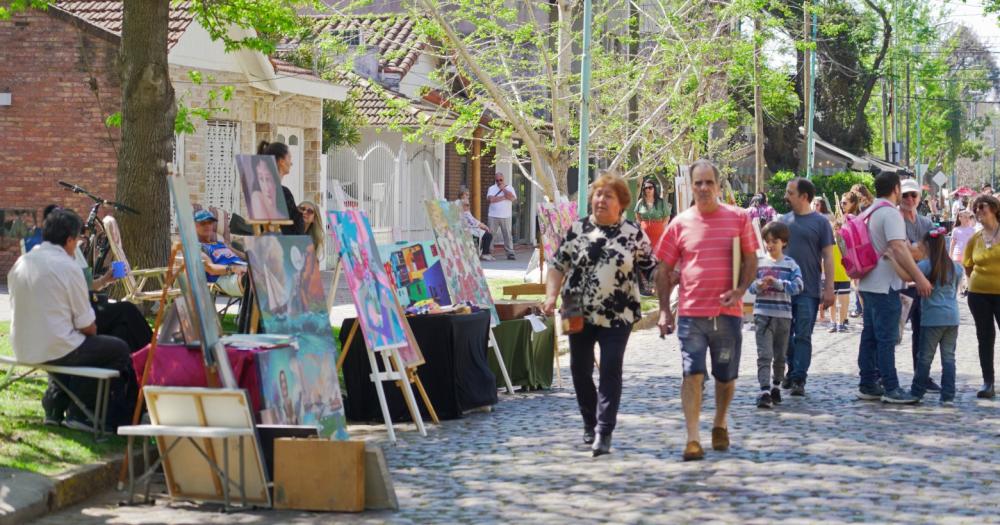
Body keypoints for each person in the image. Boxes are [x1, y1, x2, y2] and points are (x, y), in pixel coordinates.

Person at [541, 172, 656, 457]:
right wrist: (550, 296)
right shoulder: (577, 230)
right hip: (576, 308)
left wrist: (673, 279)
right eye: (598, 194)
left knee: (610, 367)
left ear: (621, 203)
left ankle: (604, 430)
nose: (601, 200)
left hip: (619, 312)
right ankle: (589, 422)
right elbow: (557, 265)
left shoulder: (633, 234)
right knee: (579, 369)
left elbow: (652, 268)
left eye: (608, 196)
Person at [655, 160, 758, 461]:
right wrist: (664, 311)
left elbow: (751, 260)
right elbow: (663, 270)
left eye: (708, 182)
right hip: (691, 314)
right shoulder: (679, 224)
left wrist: (740, 290)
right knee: (692, 373)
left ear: (718, 185)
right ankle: (692, 438)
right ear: (691, 186)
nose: (703, 188)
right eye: (697, 183)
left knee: (725, 377)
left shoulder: (739, 218)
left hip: (728, 314)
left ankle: (720, 423)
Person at [7, 209, 137, 430]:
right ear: (69, 240)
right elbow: (88, 326)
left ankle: (54, 406)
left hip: (22, 346)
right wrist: (90, 330)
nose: (78, 245)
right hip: (54, 349)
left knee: (67, 343)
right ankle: (82, 413)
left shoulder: (22, 263)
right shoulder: (68, 267)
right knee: (117, 348)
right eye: (77, 240)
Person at [856, 172, 931, 404]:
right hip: (886, 284)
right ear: (896, 189)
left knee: (869, 335)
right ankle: (891, 388)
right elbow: (899, 248)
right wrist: (919, 277)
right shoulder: (890, 213)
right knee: (886, 338)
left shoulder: (869, 211)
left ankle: (868, 383)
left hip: (867, 281)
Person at [778, 178, 835, 396]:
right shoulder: (783, 221)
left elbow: (828, 256)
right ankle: (792, 369)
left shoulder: (820, 223)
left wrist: (828, 288)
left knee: (803, 335)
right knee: (783, 336)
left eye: (790, 192)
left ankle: (799, 378)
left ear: (804, 196)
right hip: (783, 289)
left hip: (809, 290)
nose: (786, 196)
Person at [749, 221, 802, 409]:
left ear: (784, 243)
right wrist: (758, 286)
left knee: (780, 356)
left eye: (774, 241)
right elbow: (750, 285)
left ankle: (775, 386)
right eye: (767, 241)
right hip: (762, 315)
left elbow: (798, 286)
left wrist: (779, 283)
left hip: (783, 316)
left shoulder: (791, 264)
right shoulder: (759, 263)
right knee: (765, 354)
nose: (770, 245)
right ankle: (764, 391)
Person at [907, 228, 962, 404]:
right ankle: (948, 395)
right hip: (952, 317)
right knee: (949, 358)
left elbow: (910, 279)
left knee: (924, 357)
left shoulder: (924, 266)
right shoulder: (956, 267)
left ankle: (917, 392)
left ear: (927, 246)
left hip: (932, 319)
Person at [898, 178, 936, 391]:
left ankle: (922, 376)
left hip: (923, 286)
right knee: (894, 332)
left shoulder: (926, 222)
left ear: (919, 198)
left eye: (913, 195)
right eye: (905, 195)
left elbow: (933, 251)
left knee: (923, 334)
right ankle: (882, 375)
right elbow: (902, 251)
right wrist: (917, 249)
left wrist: (913, 248)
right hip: (901, 284)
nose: (910, 199)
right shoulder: (895, 219)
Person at [963, 194, 1000, 399]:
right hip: (978, 296)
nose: (978, 211)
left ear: (994, 208)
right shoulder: (974, 239)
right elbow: (968, 265)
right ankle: (988, 382)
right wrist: (976, 282)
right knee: (985, 338)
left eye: (982, 206)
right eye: (975, 208)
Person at [195, 210, 247, 297]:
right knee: (256, 279)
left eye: (210, 223)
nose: (207, 225)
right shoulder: (198, 247)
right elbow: (211, 269)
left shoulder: (221, 244)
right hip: (227, 277)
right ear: (195, 226)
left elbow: (244, 256)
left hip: (244, 269)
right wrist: (233, 269)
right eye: (203, 223)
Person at [258, 140, 304, 235]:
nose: (291, 163)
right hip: (283, 246)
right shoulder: (283, 193)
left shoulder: (260, 190)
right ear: (281, 161)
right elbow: (296, 231)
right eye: (290, 158)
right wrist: (299, 215)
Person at [485, 172, 518, 260]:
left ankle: (510, 252)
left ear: (503, 179)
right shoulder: (491, 188)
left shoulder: (509, 187)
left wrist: (503, 190)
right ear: (495, 180)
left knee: (507, 235)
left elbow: (512, 198)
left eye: (501, 180)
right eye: (497, 180)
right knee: (491, 235)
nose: (499, 182)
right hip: (493, 215)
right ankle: (489, 252)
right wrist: (504, 197)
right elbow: (491, 199)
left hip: (506, 215)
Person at [459, 190, 493, 260]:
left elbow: (471, 218)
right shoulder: (461, 205)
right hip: (468, 229)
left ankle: (486, 253)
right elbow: (469, 221)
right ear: (462, 196)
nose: (467, 197)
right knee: (488, 235)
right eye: (466, 195)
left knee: (487, 234)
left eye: (468, 195)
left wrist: (481, 224)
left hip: (472, 227)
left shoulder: (465, 205)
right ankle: (485, 253)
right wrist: (480, 225)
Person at [635, 178, 671, 246]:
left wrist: (660, 227)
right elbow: (637, 215)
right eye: (646, 188)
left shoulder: (661, 202)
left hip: (658, 234)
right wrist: (642, 225)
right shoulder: (641, 202)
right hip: (644, 234)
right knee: (644, 253)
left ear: (654, 188)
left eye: (650, 187)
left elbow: (667, 217)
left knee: (657, 254)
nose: (648, 189)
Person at [248, 156, 284, 220]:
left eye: (268, 179)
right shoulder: (257, 197)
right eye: (261, 179)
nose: (266, 188)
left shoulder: (283, 196)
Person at [950, 209, 976, 295]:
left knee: (968, 273)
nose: (967, 219)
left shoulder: (972, 230)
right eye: (965, 217)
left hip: (968, 255)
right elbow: (952, 243)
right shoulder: (956, 230)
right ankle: (960, 290)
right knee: (959, 273)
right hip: (957, 254)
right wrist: (950, 254)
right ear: (960, 218)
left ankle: (968, 288)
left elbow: (974, 243)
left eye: (968, 217)